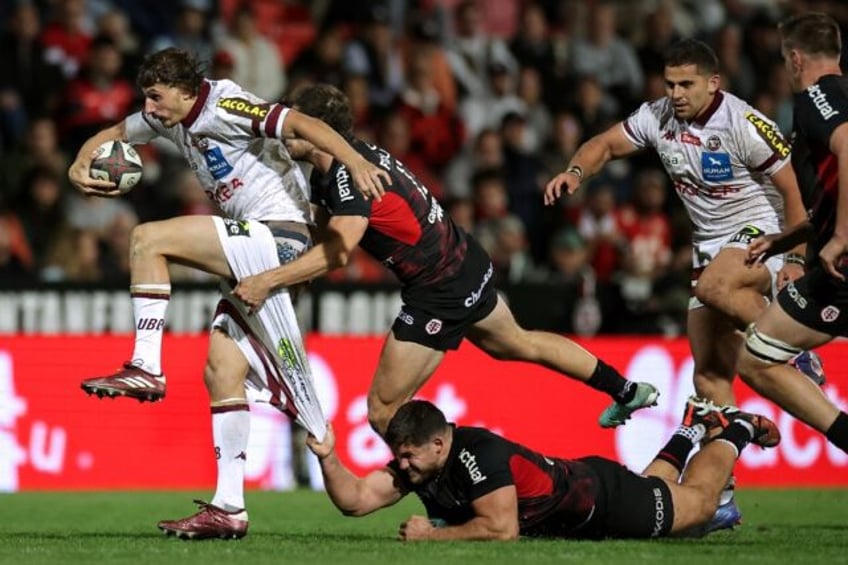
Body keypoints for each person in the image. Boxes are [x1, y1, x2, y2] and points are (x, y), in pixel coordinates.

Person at [66, 47, 390, 539]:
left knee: (147, 238)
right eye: (146, 99)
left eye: (155, 98)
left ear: (184, 90)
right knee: (222, 371)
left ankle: (146, 367)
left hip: (278, 234)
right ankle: (229, 508)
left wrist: (354, 162)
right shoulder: (166, 117)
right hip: (251, 243)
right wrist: (79, 163)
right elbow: (112, 134)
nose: (148, 108)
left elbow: (304, 123)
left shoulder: (226, 105)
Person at [233, 84, 659, 437]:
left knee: (383, 410)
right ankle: (624, 389)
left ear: (320, 129)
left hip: (440, 287)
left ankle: (459, 488)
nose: (285, 130)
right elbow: (324, 234)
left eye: (294, 123)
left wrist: (267, 281)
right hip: (465, 260)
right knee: (518, 343)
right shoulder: (342, 167)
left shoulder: (348, 177)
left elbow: (339, 250)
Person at [544, 38, 823, 411]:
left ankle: (792, 345)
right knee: (708, 377)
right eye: (670, 84)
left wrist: (794, 259)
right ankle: (725, 464)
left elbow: (794, 193)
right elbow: (606, 145)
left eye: (686, 84)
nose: (675, 93)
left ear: (713, 83)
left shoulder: (744, 123)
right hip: (708, 243)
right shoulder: (657, 116)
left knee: (715, 286)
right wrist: (575, 172)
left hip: (762, 229)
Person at [305, 398, 779, 541]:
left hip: (605, 502)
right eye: (398, 456)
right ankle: (690, 429)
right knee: (660, 490)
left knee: (695, 507)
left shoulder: (478, 456)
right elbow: (356, 500)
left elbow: (502, 528)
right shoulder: (421, 468)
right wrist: (328, 456)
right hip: (585, 484)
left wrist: (430, 535)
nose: (401, 466)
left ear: (438, 442)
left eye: (409, 456)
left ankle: (734, 430)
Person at [736, 12, 848, 455]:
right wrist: (785, 243)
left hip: (840, 264)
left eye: (785, 61)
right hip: (829, 261)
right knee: (758, 356)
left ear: (796, 59)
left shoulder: (818, 96)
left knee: (757, 360)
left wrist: (841, 235)